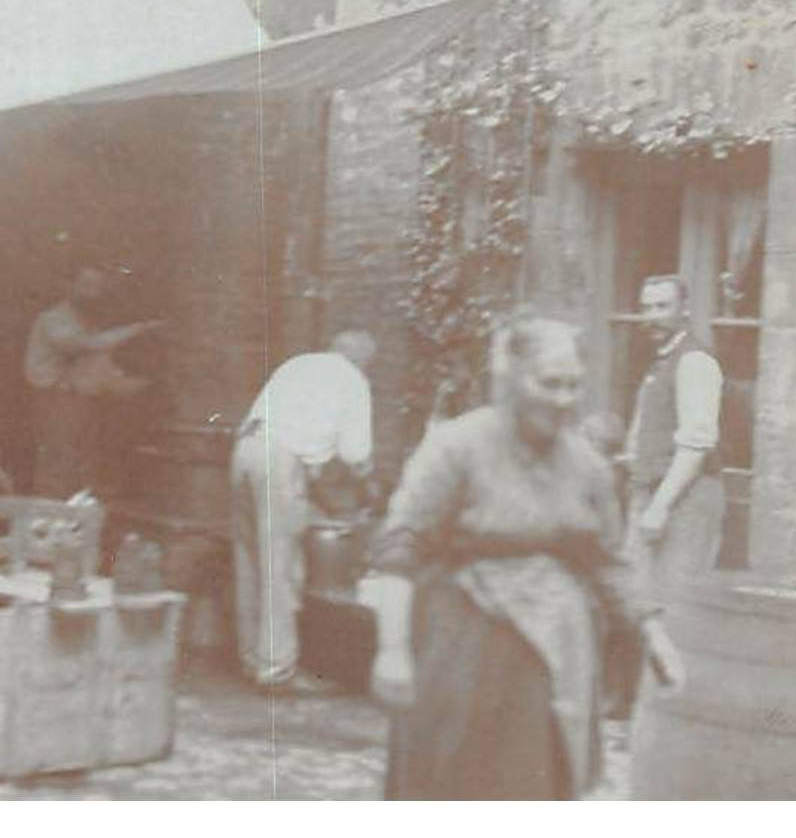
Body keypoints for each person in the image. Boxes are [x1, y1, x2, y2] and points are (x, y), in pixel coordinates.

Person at [358, 314, 684, 799]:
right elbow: (401, 547)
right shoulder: (456, 447)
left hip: (555, 662)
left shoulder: (586, 466)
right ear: (510, 380)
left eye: (574, 386)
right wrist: (393, 649)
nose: (564, 400)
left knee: (535, 787)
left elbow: (605, 559)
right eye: (549, 384)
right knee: (452, 785)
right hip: (465, 646)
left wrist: (651, 630)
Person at [229, 329, 376, 691]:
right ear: (361, 360)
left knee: (249, 559)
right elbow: (356, 454)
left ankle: (253, 659)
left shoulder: (298, 364)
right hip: (278, 461)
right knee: (279, 565)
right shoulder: (352, 378)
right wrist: (368, 483)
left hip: (244, 451)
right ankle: (277, 670)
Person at [620, 274, 725, 594]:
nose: (652, 317)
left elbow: (697, 443)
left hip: (685, 499)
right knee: (639, 597)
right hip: (652, 492)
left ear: (685, 309)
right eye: (646, 308)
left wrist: (659, 508)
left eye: (662, 307)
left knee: (676, 601)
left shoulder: (694, 361)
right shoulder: (661, 361)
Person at [23, 265, 161, 500]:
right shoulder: (53, 320)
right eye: (86, 286)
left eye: (98, 288)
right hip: (58, 401)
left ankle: (74, 527)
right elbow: (85, 345)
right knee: (57, 468)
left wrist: (147, 384)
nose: (93, 293)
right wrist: (140, 329)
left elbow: (104, 373)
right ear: (68, 286)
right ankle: (48, 524)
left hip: (84, 405)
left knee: (81, 469)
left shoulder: (89, 325)